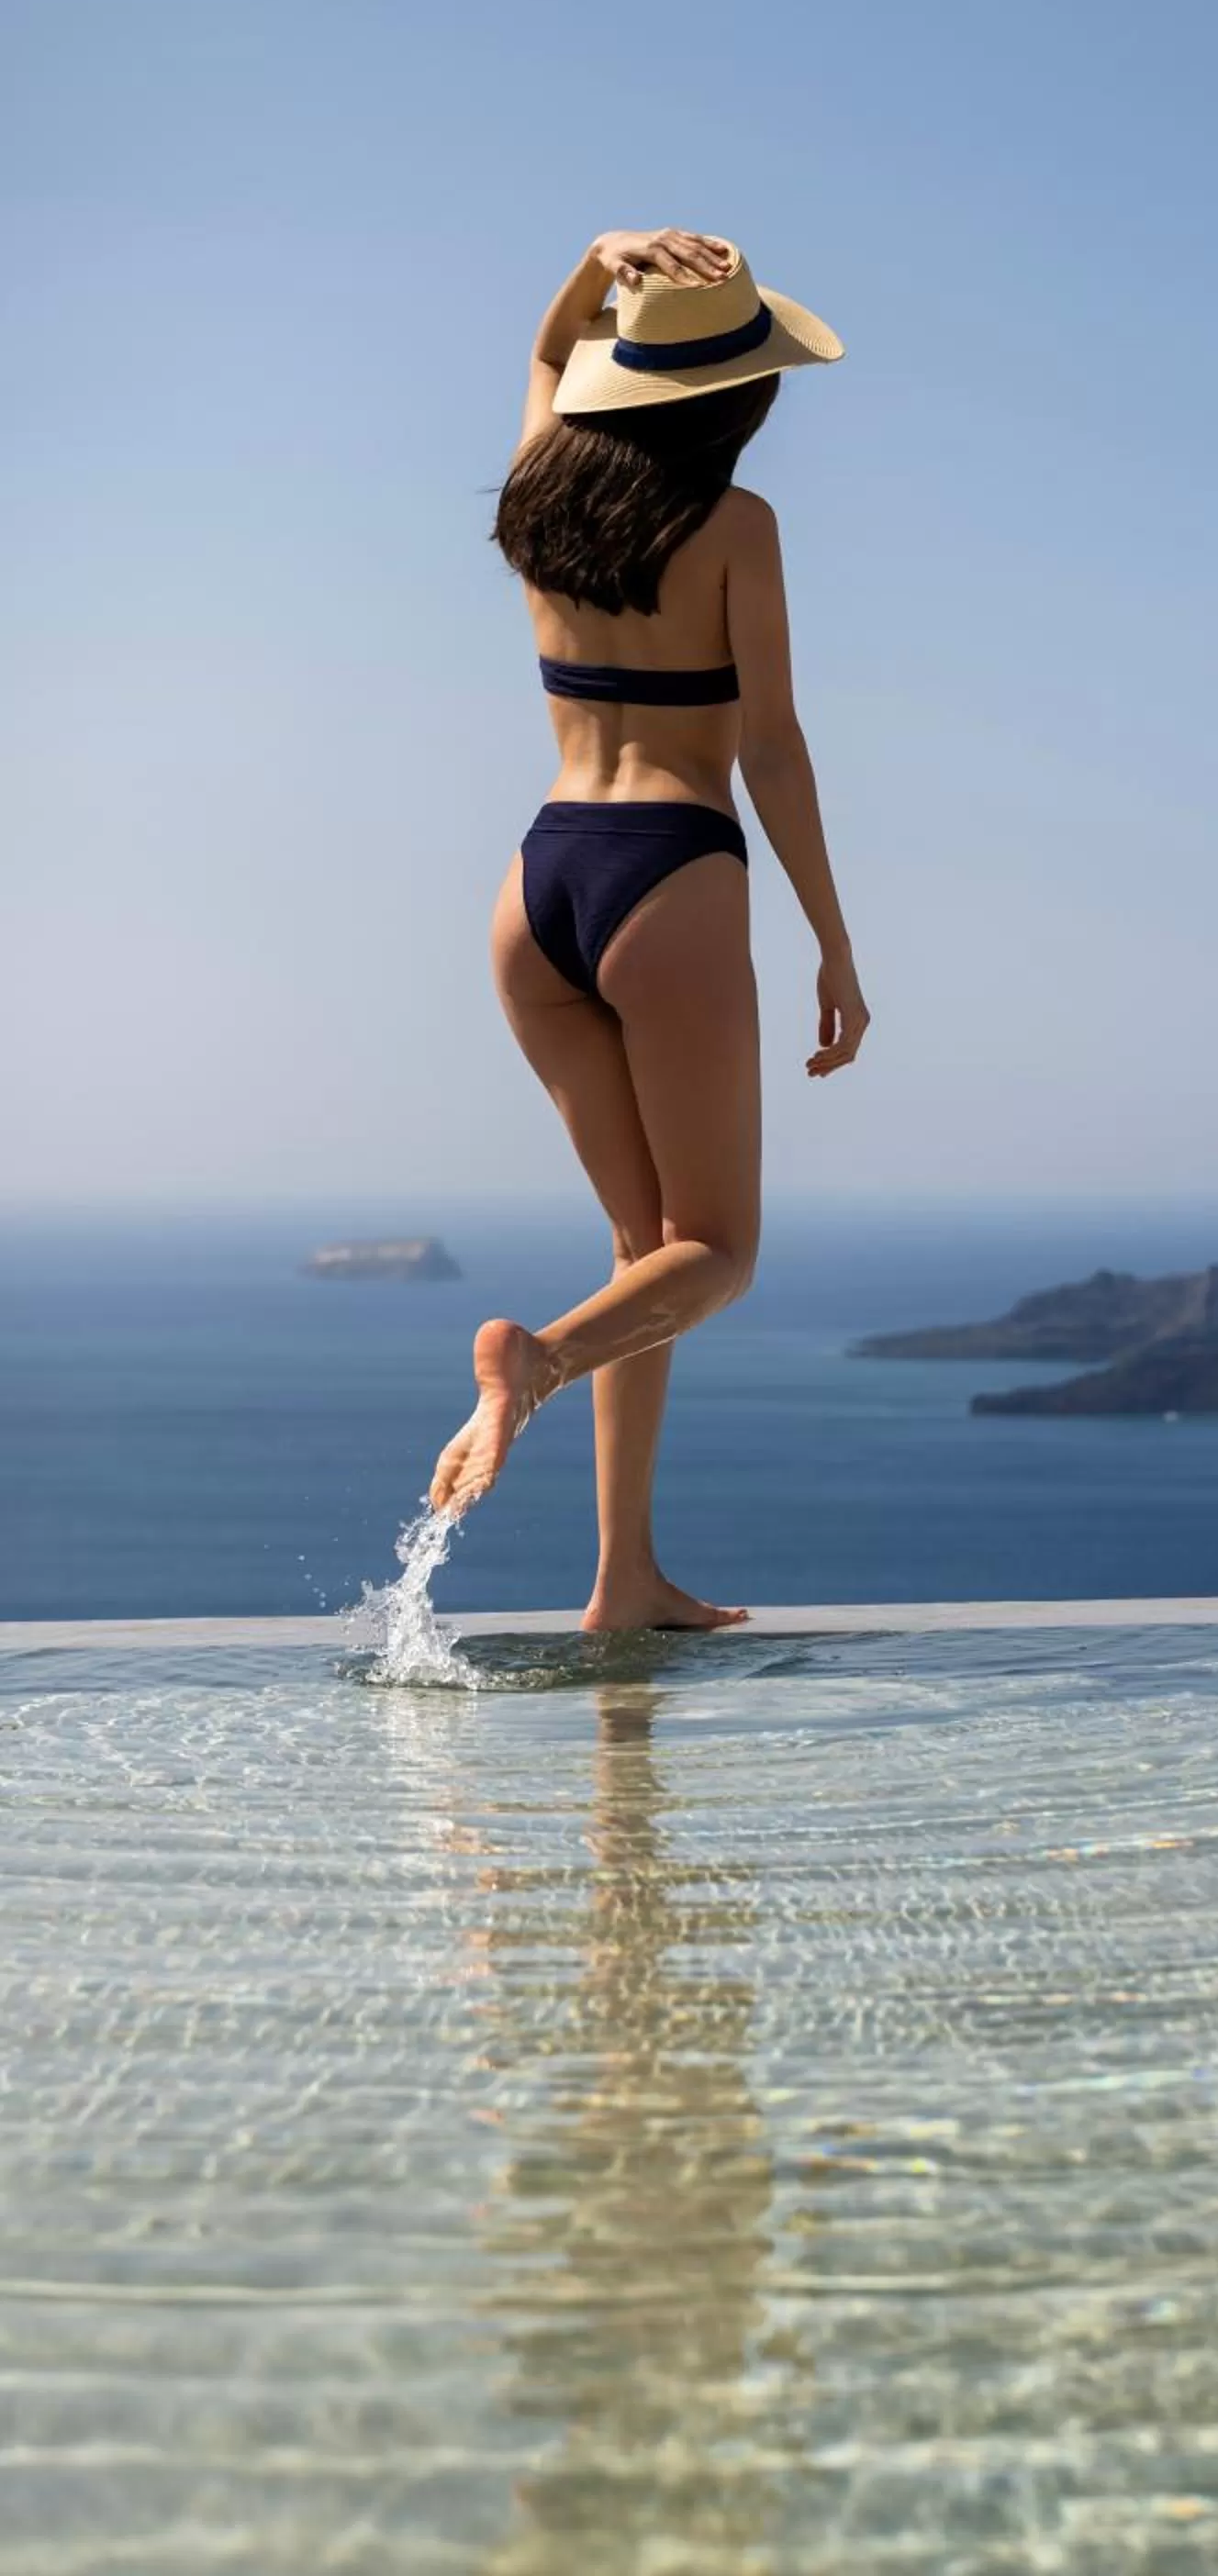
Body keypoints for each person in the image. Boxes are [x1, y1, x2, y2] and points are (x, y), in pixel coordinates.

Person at [428, 227, 866, 1631]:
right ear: (740, 392)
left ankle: (623, 1579)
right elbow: (773, 748)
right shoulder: (736, 526)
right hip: (668, 874)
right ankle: (536, 1365)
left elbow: (544, 350)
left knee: (649, 1257)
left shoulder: (540, 492)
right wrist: (833, 941)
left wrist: (595, 256)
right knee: (717, 1252)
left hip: (540, 883)